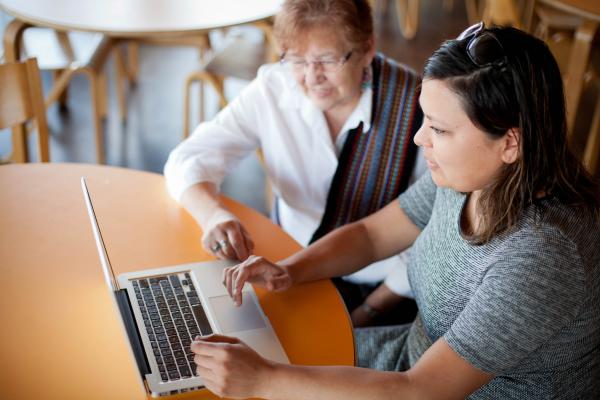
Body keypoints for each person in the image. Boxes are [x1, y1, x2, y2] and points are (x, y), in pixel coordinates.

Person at [189, 23, 600, 399]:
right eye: (425, 120)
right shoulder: (472, 179)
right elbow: (372, 235)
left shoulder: (543, 257)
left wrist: (263, 379)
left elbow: (419, 392)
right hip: (408, 360)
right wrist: (290, 270)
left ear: (511, 142)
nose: (421, 138)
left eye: (439, 129)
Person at [164, 0, 426, 325]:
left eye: (327, 60)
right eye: (297, 60)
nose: (311, 77)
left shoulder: (417, 107)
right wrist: (212, 214)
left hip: (381, 285)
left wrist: (366, 313)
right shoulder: (274, 90)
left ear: (367, 48)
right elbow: (188, 158)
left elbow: (430, 232)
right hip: (286, 258)